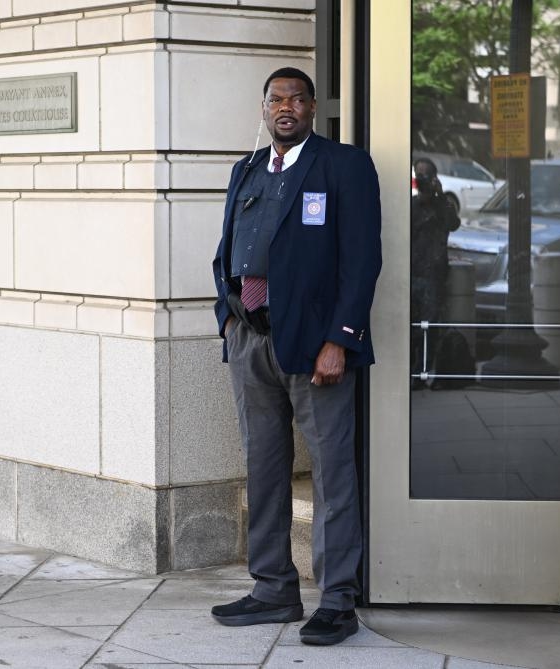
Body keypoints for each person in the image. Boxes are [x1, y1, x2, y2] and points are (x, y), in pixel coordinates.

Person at [209, 67, 382, 646]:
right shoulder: (248, 169)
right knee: (263, 469)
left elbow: (361, 262)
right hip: (250, 341)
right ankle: (273, 589)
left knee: (332, 475)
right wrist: (229, 319)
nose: (286, 107)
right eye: (275, 99)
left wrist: (341, 338)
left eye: (297, 99)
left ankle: (338, 600)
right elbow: (228, 250)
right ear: (263, 109)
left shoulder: (343, 166)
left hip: (315, 347)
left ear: (313, 108)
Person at [410, 156, 460, 387]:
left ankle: (427, 370)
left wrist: (438, 197)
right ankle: (412, 372)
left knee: (430, 326)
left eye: (425, 175)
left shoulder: (442, 205)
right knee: (411, 327)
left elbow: (453, 224)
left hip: (433, 274)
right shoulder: (410, 205)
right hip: (411, 273)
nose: (422, 179)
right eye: (418, 175)